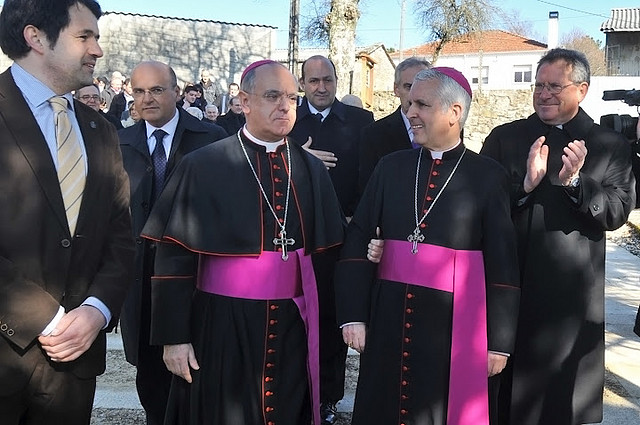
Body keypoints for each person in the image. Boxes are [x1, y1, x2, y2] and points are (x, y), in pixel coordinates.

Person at [140, 59, 345, 425]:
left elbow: (328, 262)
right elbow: (173, 257)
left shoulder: (311, 170)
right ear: (245, 102)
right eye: (272, 96)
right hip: (220, 324)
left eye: (292, 98)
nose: (284, 106)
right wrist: (174, 338)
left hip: (292, 327)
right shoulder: (204, 165)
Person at [335, 67, 520, 425]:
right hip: (388, 316)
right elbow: (359, 236)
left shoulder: (487, 175)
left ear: (454, 113)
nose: (410, 112)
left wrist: (498, 341)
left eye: (422, 104)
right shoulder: (390, 167)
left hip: (453, 323)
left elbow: (502, 263)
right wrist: (353, 314)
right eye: (409, 103)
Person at [480, 48, 636, 425]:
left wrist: (578, 183)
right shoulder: (506, 138)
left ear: (581, 90)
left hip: (568, 298)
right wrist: (526, 186)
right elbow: (481, 203)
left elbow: (616, 213)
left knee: (557, 403)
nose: (543, 94)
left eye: (554, 86)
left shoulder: (609, 146)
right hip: (509, 283)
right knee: (501, 396)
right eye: (539, 86)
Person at [0, 1, 135, 424]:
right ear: (36, 37)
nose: (97, 50)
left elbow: (120, 236)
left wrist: (97, 310)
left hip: (74, 367)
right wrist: (45, 319)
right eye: (85, 36)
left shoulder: (99, 130)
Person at [117, 60, 227, 425]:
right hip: (141, 280)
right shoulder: (121, 143)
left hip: (196, 279)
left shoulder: (210, 138)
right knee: (151, 381)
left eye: (157, 90)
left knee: (196, 375)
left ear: (177, 93)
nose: (147, 99)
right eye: (139, 92)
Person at [288, 54, 374, 424]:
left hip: (343, 238)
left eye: (328, 80)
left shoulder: (360, 121)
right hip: (295, 238)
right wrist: (300, 158)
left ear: (338, 81)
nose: (321, 87)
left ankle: (329, 397)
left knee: (334, 320)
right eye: (313, 81)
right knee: (297, 320)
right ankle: (296, 393)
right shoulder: (288, 120)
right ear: (302, 84)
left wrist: (357, 219)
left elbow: (370, 175)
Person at [359, 57, 431, 190]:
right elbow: (368, 190)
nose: (414, 95)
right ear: (396, 89)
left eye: (422, 87)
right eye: (409, 87)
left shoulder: (442, 131)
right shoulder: (374, 135)